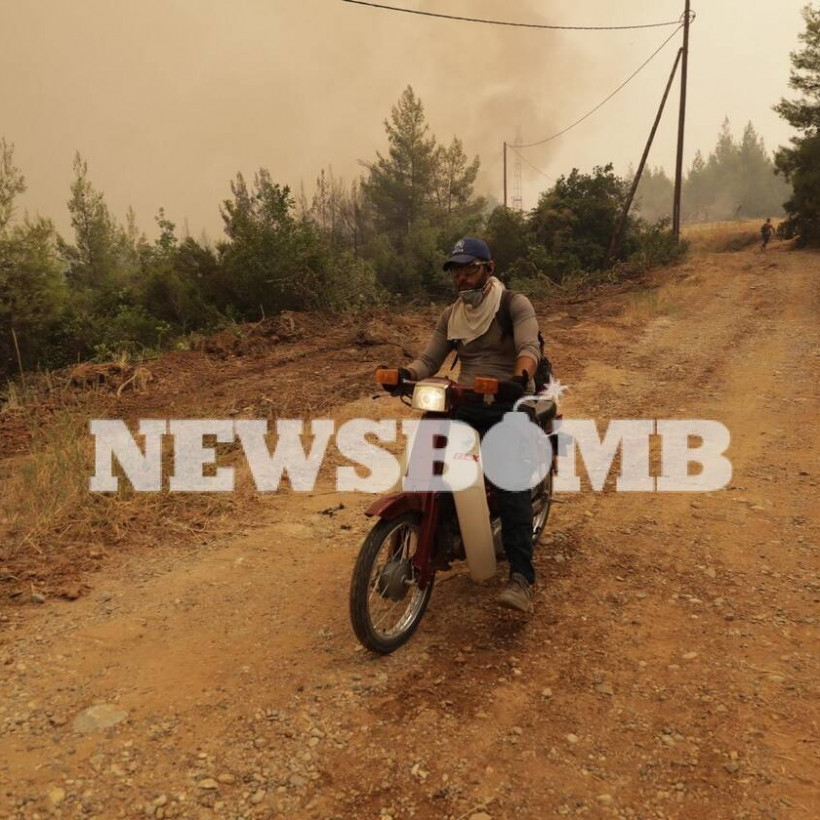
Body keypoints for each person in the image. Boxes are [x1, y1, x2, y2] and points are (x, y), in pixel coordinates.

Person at [385, 237, 542, 613]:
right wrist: (405, 375)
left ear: (488, 268)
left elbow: (529, 348)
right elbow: (429, 360)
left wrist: (518, 378)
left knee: (509, 482)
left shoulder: (513, 304)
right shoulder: (451, 315)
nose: (462, 277)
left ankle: (521, 578)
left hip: (507, 399)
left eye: (469, 268)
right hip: (465, 400)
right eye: (456, 270)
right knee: (425, 464)